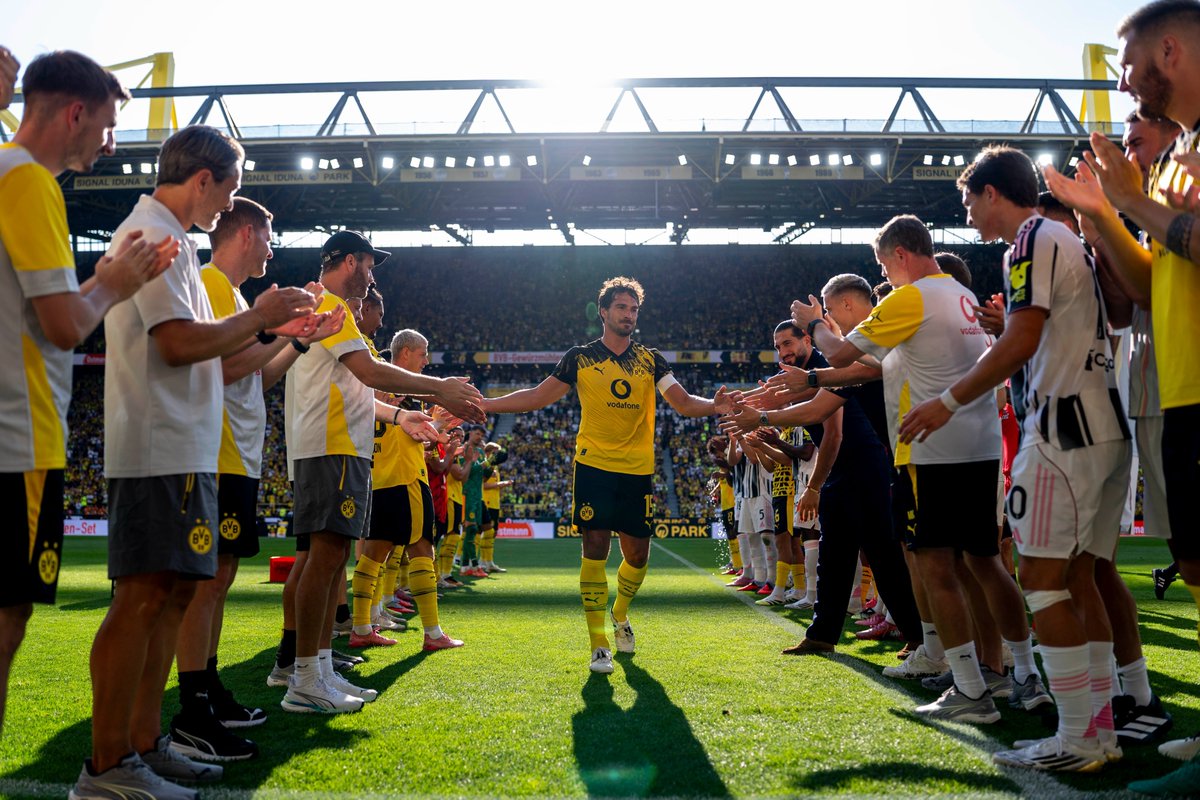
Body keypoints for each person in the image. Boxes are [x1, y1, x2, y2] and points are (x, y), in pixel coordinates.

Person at [77, 125, 323, 799]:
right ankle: (105, 765)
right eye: (231, 187)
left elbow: (207, 354)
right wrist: (264, 318)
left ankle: (144, 744)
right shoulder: (152, 234)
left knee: (172, 596)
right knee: (142, 599)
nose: (230, 205)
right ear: (204, 179)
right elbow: (181, 345)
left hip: (183, 445)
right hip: (156, 445)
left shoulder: (176, 241)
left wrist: (268, 328)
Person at [900, 145, 1131, 771]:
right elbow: (1070, 326)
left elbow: (1027, 340)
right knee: (1079, 580)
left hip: (1063, 431)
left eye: (970, 201)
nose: (969, 215)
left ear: (992, 193)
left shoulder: (1029, 238)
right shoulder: (1065, 235)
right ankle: (1101, 727)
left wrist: (946, 400)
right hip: (1103, 425)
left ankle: (1080, 736)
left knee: (1044, 582)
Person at [792, 215, 1044, 723]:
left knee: (936, 568)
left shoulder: (912, 297)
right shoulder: (962, 296)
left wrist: (814, 321)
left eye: (886, 263)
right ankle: (1024, 675)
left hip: (931, 451)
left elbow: (842, 351)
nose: (887, 274)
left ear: (900, 255)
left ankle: (970, 689)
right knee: (985, 562)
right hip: (982, 447)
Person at [1, 50, 177, 745]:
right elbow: (65, 323)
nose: (110, 143)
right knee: (5, 622)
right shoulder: (28, 181)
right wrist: (114, 280)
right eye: (105, 125)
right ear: (74, 111)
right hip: (16, 438)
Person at [170, 197, 346, 761]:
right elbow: (223, 367)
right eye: (268, 236)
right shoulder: (213, 285)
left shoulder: (235, 297)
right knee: (205, 581)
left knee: (218, 579)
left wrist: (298, 340)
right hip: (213, 451)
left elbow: (255, 378)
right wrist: (275, 328)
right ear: (245, 233)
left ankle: (209, 687)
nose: (272, 247)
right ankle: (192, 703)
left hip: (235, 451)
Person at [279, 229, 483, 714]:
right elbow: (370, 374)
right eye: (370, 267)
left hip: (334, 444)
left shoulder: (332, 308)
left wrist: (401, 415)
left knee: (330, 562)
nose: (371, 279)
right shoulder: (332, 305)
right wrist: (440, 389)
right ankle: (305, 675)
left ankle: (318, 666)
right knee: (325, 561)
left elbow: (358, 390)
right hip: (328, 446)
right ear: (351, 261)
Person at [481, 277, 728, 674]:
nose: (629, 315)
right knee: (594, 551)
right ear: (604, 311)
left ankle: (620, 612)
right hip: (593, 466)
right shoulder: (579, 357)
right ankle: (598, 644)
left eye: (634, 309)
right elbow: (537, 397)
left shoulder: (651, 359)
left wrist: (714, 406)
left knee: (638, 556)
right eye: (622, 308)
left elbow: (682, 403)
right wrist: (486, 405)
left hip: (637, 471)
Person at [722, 312, 922, 657]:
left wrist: (814, 486)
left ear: (807, 341)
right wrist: (743, 401)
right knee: (836, 554)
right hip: (847, 470)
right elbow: (773, 393)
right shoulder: (804, 372)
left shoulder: (826, 367)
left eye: (788, 343)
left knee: (881, 554)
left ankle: (918, 635)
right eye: (777, 346)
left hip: (862, 464)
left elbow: (833, 431)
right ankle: (823, 634)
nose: (783, 351)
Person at [352, 328, 465, 651]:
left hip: (378, 476)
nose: (426, 360)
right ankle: (432, 633)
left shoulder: (370, 384)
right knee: (422, 550)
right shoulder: (398, 387)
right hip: (405, 476)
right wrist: (440, 425)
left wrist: (438, 427)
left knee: (373, 555)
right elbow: (411, 434)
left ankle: (361, 626)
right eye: (422, 353)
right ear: (404, 354)